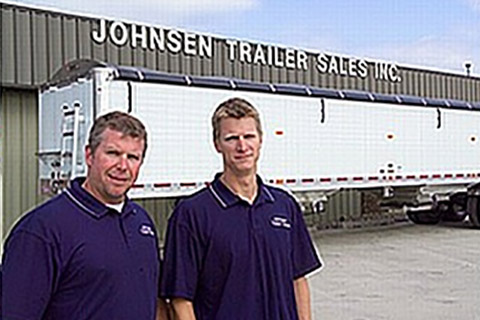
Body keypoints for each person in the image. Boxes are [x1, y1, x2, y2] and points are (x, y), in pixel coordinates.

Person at [160, 98, 322, 319]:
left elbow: (298, 280)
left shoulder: (284, 205)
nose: (242, 146)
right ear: (217, 144)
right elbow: (181, 300)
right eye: (231, 138)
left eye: (249, 137)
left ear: (260, 140)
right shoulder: (192, 214)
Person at [2, 111, 167, 320]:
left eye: (133, 157)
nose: (123, 166)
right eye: (113, 153)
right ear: (89, 156)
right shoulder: (41, 230)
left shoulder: (141, 223)